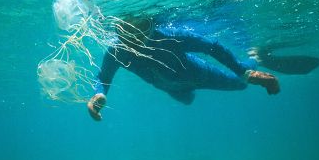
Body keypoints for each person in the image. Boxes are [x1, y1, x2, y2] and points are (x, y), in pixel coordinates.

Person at [87, 16, 280, 121]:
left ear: (151, 25)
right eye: (127, 32)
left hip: (202, 75)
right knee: (187, 100)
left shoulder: (170, 36)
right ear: (119, 32)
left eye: (141, 27)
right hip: (173, 88)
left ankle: (255, 58)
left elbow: (212, 46)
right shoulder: (117, 52)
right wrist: (98, 95)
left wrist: (244, 71)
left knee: (241, 84)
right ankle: (246, 70)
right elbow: (104, 77)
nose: (135, 36)